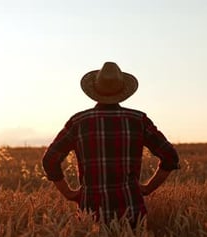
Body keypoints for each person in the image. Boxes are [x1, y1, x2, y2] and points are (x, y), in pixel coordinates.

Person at [42, 62, 180, 226]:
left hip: (91, 216)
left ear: (95, 90)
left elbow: (50, 159)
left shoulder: (79, 122)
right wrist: (148, 188)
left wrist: (68, 193)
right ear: (122, 91)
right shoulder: (138, 120)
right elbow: (170, 156)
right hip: (133, 214)